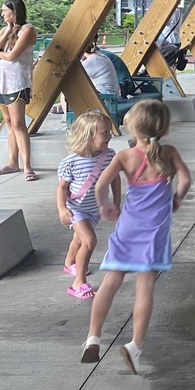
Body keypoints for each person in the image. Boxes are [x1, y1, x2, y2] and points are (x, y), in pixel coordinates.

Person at [81, 100, 191, 375]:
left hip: (127, 229)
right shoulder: (169, 152)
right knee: (144, 288)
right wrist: (176, 198)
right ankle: (135, 346)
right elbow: (186, 180)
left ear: (132, 126)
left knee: (111, 282)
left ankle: (93, 337)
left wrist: (106, 205)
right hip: (154, 233)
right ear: (164, 128)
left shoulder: (124, 156)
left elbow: (101, 184)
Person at [57, 111, 120, 300]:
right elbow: (62, 188)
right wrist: (62, 208)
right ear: (88, 136)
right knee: (89, 241)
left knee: (78, 240)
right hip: (76, 208)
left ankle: (70, 263)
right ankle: (79, 282)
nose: (109, 136)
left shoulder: (109, 156)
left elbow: (115, 179)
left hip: (94, 208)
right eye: (104, 133)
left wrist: (116, 201)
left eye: (109, 131)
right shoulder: (71, 161)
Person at [0, 0, 39, 181]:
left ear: (14, 11)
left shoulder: (28, 30)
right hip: (1, 81)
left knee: (18, 123)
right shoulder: (5, 29)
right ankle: (12, 162)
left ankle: (27, 166)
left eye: (4, 11)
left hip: (17, 81)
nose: (2, 14)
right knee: (8, 121)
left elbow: (11, 56)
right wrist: (7, 31)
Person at [52, 36, 120, 114]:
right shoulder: (101, 57)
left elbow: (70, 78)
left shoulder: (92, 61)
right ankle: (65, 110)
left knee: (66, 92)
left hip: (104, 100)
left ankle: (69, 119)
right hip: (110, 98)